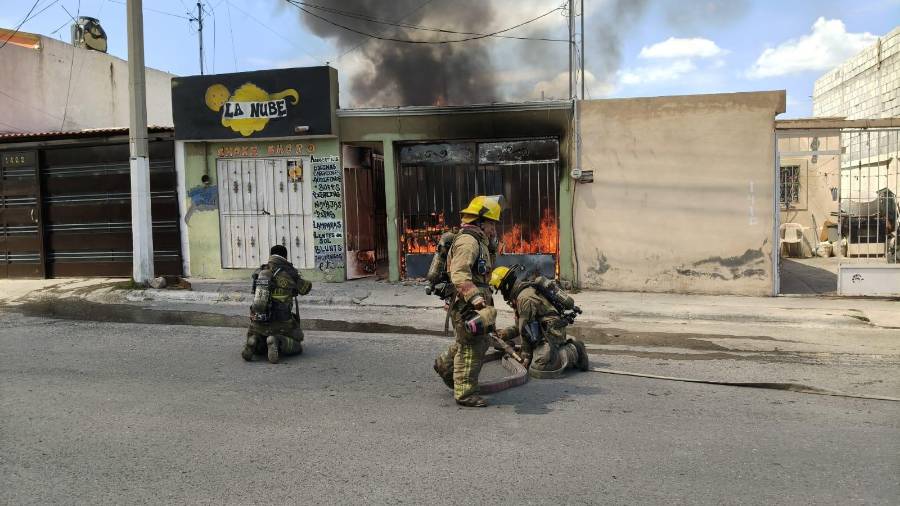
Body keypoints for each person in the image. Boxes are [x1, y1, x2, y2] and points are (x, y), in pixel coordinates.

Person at [432, 195, 502, 407]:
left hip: (470, 300)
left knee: (470, 342)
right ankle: (465, 393)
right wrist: (476, 299)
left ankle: (444, 365)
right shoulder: (468, 242)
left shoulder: (478, 241)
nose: (493, 229)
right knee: (472, 347)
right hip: (467, 303)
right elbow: (459, 274)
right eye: (491, 224)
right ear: (480, 222)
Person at [489, 265, 589, 378]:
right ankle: (557, 348)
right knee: (531, 359)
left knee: (538, 367)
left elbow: (525, 329)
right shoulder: (521, 294)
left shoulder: (524, 298)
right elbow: (521, 326)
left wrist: (526, 356)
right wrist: (504, 334)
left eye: (501, 290)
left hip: (551, 334)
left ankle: (574, 351)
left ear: (506, 285)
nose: (502, 294)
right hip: (542, 333)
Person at [242, 245, 312, 364]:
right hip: (282, 323)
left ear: (271, 255)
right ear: (285, 256)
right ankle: (277, 340)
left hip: (258, 323)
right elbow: (305, 289)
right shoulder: (290, 273)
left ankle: (255, 339)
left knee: (260, 342)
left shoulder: (260, 271)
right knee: (297, 345)